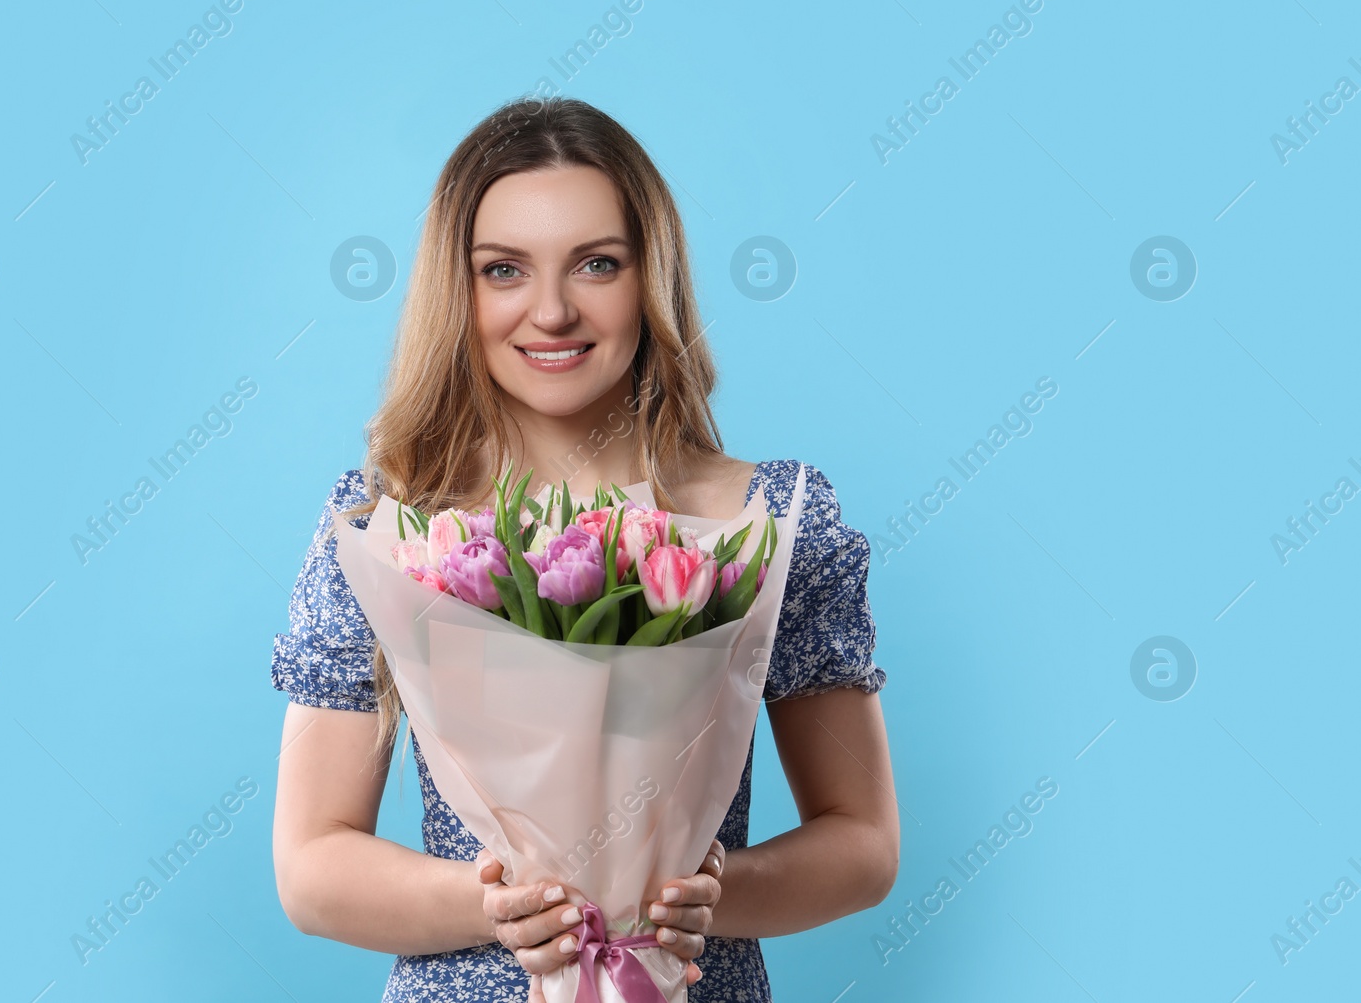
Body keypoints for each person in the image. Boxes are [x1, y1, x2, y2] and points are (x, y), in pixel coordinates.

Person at [270, 96, 899, 1001]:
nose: (553, 310)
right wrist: (492, 905)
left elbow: (863, 839)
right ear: (460, 289)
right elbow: (311, 862)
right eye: (504, 270)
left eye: (597, 264)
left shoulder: (768, 525)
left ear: (653, 280)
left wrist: (716, 894)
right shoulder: (390, 532)